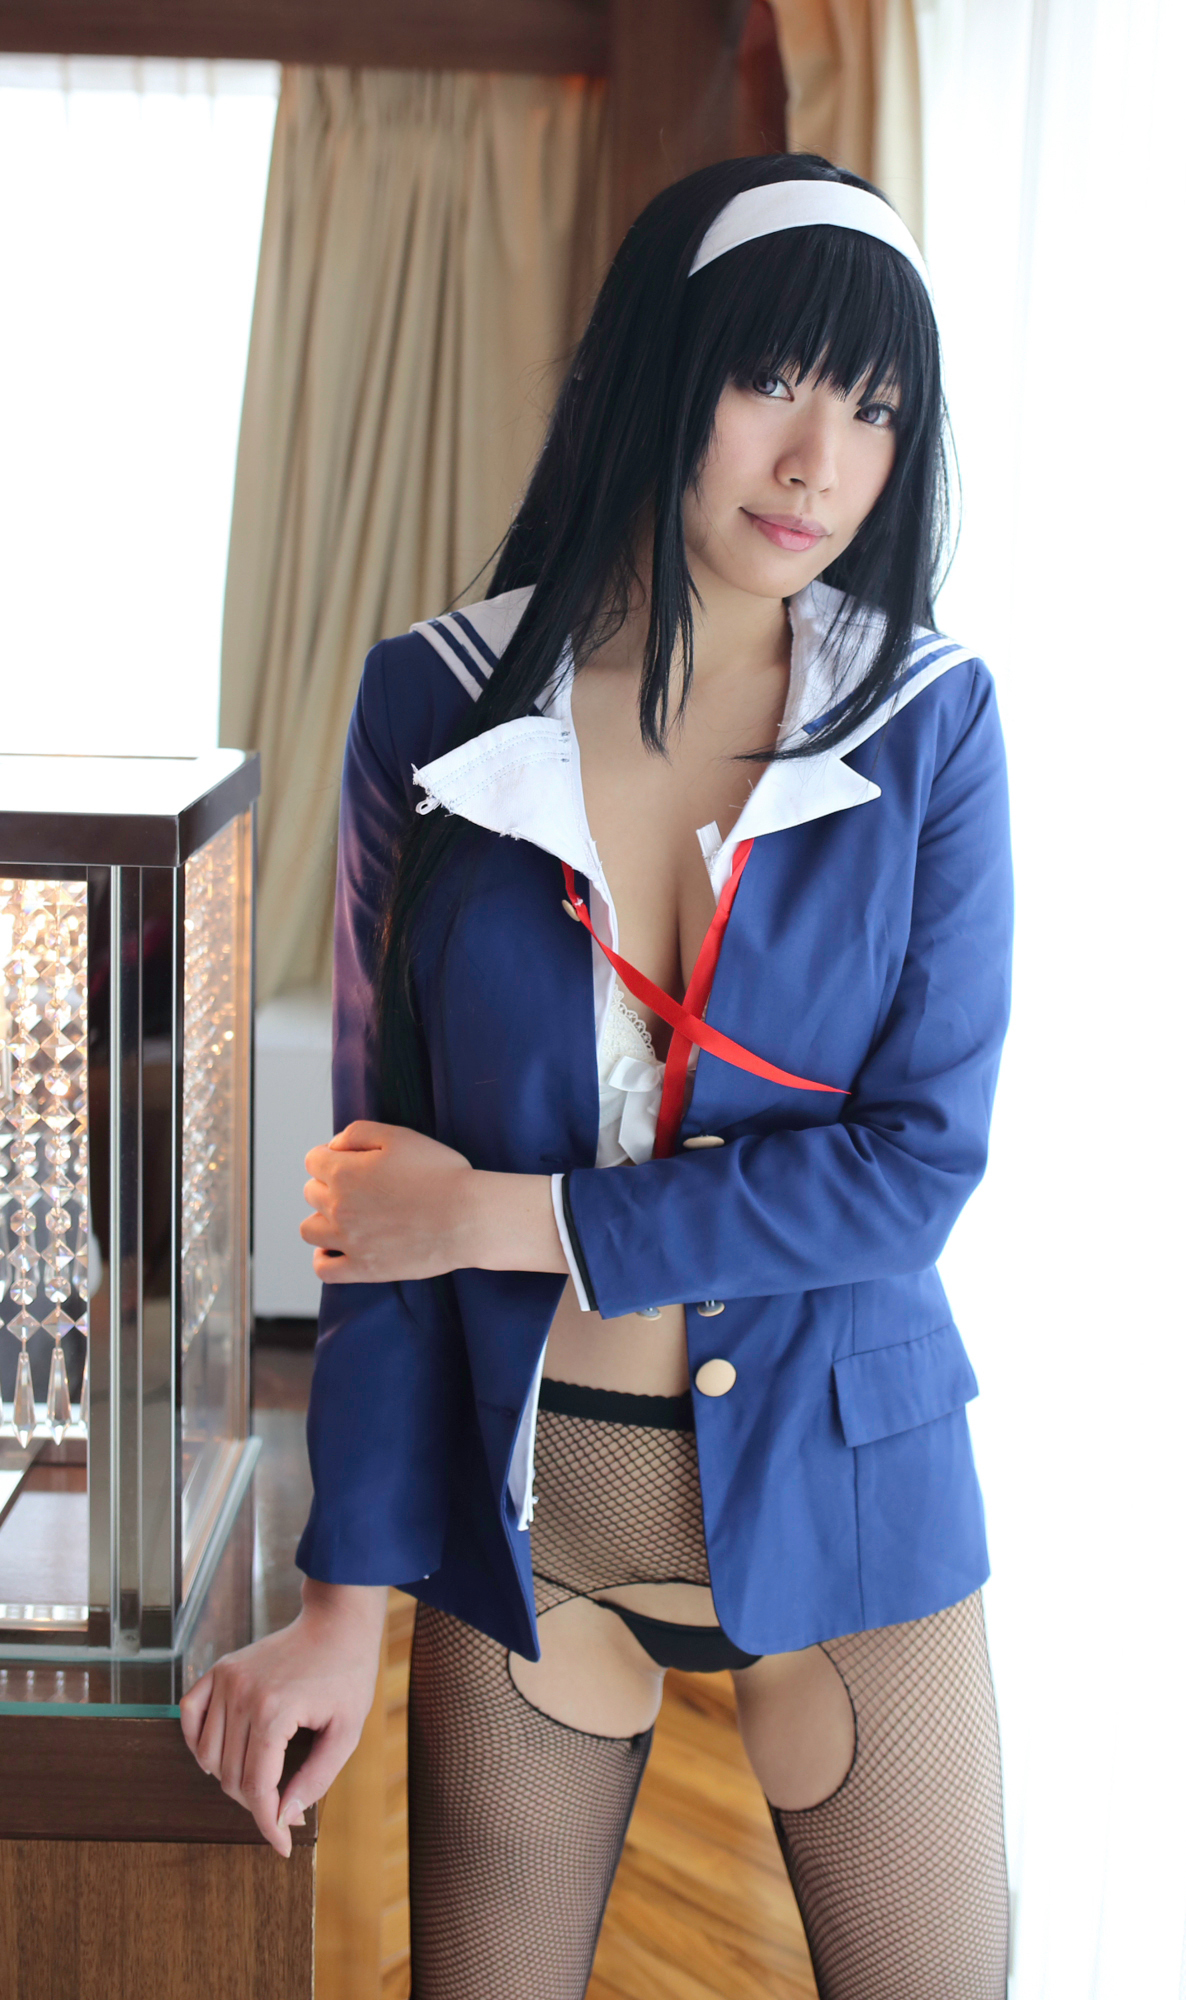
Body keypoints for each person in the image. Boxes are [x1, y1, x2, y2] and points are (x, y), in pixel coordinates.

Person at [182, 152, 1015, 2000]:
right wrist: (337, 1606)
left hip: (853, 1509)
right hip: (533, 1527)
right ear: (661, 365)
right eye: (771, 381)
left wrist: (507, 1215)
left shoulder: (929, 720)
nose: (819, 463)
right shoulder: (434, 704)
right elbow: (377, 1204)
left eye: (876, 412)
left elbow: (912, 1170)